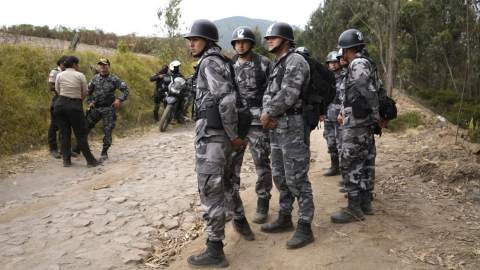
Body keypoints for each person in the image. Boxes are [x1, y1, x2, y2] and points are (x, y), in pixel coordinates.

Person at [184, 19, 250, 268]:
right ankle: (241, 222)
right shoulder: (221, 61)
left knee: (210, 191)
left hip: (214, 137)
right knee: (225, 184)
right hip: (219, 137)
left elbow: (226, 100)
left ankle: (215, 250)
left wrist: (233, 135)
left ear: (208, 41)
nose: (191, 44)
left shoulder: (209, 62)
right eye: (190, 40)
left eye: (196, 39)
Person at [259, 22, 314, 249]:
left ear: (287, 40)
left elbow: (289, 93)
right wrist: (268, 116)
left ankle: (305, 227)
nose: (269, 40)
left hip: (292, 127)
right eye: (268, 37)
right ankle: (284, 217)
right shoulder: (277, 63)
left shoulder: (296, 61)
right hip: (277, 128)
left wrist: (268, 113)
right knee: (280, 176)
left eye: (274, 37)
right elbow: (270, 93)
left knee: (297, 177)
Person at [331, 29, 383, 223]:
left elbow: (368, 91)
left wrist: (376, 115)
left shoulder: (358, 63)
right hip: (363, 120)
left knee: (349, 160)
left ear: (347, 48)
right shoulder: (367, 62)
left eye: (342, 49)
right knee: (366, 159)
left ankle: (354, 208)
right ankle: (365, 203)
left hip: (358, 122)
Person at [226, 26, 273, 224]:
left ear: (251, 44)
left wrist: (268, 112)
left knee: (261, 161)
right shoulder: (229, 65)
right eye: (237, 42)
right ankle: (232, 204)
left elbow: (273, 88)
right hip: (236, 123)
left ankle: (263, 199)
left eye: (244, 42)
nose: (240, 45)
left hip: (257, 122)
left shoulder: (263, 63)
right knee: (231, 165)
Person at [72, 58, 130, 160]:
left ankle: (104, 152)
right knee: (85, 128)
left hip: (108, 108)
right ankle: (78, 148)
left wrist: (119, 100)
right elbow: (88, 92)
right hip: (96, 108)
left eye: (105, 65)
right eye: (100, 65)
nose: (102, 66)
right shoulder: (95, 78)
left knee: (107, 130)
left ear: (109, 66)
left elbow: (126, 90)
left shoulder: (114, 78)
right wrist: (89, 102)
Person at [53, 56, 103, 168]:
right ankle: (90, 160)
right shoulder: (80, 75)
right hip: (74, 105)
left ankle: (66, 160)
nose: (79, 66)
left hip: (60, 105)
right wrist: (77, 101)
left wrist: (65, 99)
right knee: (80, 133)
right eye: (78, 64)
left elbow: (57, 90)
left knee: (64, 133)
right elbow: (85, 92)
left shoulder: (60, 75)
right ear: (74, 65)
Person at [322, 51, 345, 176]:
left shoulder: (345, 76)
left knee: (341, 142)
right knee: (330, 141)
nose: (334, 65)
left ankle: (345, 170)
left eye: (335, 62)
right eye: (331, 62)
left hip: (340, 115)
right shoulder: (326, 77)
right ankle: (334, 166)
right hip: (328, 115)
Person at [48, 55, 69, 159]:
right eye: (65, 63)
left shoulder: (68, 72)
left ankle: (64, 149)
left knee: (64, 126)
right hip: (57, 100)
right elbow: (51, 87)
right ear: (61, 63)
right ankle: (53, 149)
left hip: (67, 100)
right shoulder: (55, 72)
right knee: (54, 125)